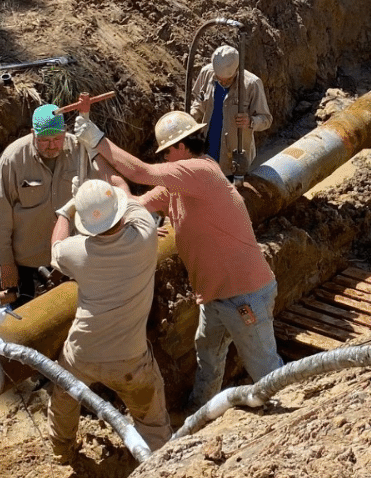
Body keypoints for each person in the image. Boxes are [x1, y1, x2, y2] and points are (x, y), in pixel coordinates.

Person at [75, 110, 283, 412]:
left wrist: (98, 138)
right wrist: (95, 154)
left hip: (244, 293)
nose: (164, 160)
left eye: (166, 152)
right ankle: (199, 415)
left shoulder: (199, 171)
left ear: (181, 147)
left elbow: (141, 172)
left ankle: (293, 420)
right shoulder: (178, 185)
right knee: (208, 358)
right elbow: (133, 201)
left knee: (265, 369)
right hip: (215, 296)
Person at [45, 179, 172, 462]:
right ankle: (160, 463)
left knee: (65, 396)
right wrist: (115, 181)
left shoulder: (76, 251)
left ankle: (61, 450)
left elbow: (56, 247)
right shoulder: (146, 232)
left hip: (82, 352)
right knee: (151, 418)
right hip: (129, 358)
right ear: (120, 213)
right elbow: (129, 199)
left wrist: (66, 211)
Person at [0, 103, 123, 307]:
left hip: (69, 257)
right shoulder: (13, 160)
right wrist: (6, 264)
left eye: (57, 139)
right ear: (33, 134)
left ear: (65, 132)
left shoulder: (79, 151)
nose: (51, 146)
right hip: (27, 262)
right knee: (24, 316)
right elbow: (0, 217)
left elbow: (101, 193)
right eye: (44, 140)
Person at [189, 45, 272, 179]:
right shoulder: (206, 73)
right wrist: (191, 115)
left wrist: (250, 121)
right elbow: (199, 101)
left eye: (227, 79)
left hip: (235, 161)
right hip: (207, 152)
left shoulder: (252, 84)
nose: (222, 81)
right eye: (219, 78)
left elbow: (266, 119)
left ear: (236, 71)